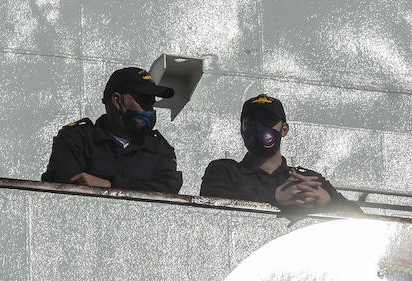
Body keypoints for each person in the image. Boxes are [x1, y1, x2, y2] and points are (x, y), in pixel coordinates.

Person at [199, 94, 358, 213]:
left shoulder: (307, 179)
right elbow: (212, 211)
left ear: (284, 129)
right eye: (252, 121)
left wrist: (327, 201)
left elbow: (360, 219)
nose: (260, 127)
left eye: (268, 121)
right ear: (242, 130)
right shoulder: (224, 171)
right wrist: (274, 198)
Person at [42, 66, 182, 193]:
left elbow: (169, 189)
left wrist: (110, 185)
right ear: (117, 100)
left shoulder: (159, 148)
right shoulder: (77, 139)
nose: (150, 111)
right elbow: (61, 190)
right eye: (144, 102)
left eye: (151, 104)